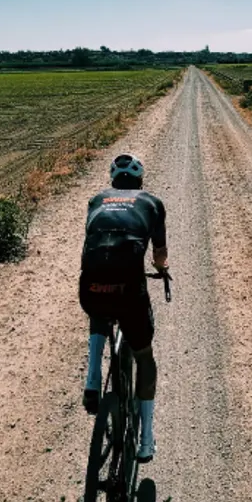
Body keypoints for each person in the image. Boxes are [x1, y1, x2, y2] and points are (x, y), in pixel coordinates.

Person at [79, 153, 169, 462]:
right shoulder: (152, 203)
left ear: (113, 180)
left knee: (99, 310)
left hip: (90, 286)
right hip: (129, 290)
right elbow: (159, 254)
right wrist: (162, 269)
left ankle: (92, 377)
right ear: (140, 180)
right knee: (145, 358)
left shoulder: (96, 200)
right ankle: (146, 439)